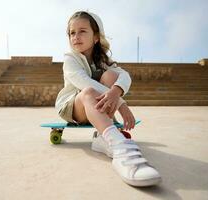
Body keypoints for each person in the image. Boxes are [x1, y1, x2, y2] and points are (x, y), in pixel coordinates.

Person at [55, 11, 161, 187]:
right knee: (89, 91)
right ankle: (120, 148)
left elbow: (124, 76)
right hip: (72, 106)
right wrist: (121, 104)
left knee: (112, 76)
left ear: (96, 37)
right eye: (72, 33)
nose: (76, 37)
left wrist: (116, 91)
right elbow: (84, 83)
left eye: (82, 31)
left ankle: (103, 137)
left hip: (95, 105)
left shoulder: (103, 60)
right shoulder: (70, 59)